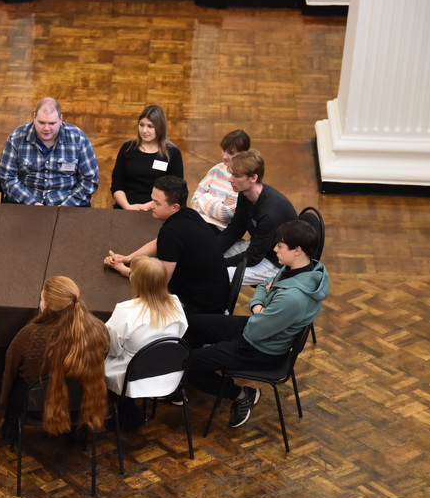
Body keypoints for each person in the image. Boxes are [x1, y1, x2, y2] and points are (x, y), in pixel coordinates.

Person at [186, 220, 329, 427]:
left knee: (186, 363)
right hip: (259, 329)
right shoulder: (301, 269)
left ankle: (242, 394)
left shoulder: (293, 298)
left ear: (297, 250)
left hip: (259, 348)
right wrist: (259, 308)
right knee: (191, 323)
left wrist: (258, 309)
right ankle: (201, 367)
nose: (274, 249)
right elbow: (264, 285)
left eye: (280, 246)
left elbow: (254, 331)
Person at [0, 276, 109, 443]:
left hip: (34, 407)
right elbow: (103, 358)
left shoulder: (29, 334)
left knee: (18, 383)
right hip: (79, 405)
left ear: (48, 307)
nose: (40, 302)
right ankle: (79, 437)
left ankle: (10, 432)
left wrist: (4, 399)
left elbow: (10, 370)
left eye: (42, 299)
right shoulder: (99, 330)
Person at [103, 175, 229, 315]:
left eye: (157, 203)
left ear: (174, 207)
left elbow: (159, 281)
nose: (151, 206)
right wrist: (127, 258)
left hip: (201, 309)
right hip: (216, 295)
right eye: (152, 200)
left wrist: (122, 269)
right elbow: (158, 243)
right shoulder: (190, 214)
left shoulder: (171, 232)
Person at [103, 256, 189, 430]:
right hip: (169, 374)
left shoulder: (125, 311)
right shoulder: (176, 303)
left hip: (131, 378)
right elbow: (179, 337)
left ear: (135, 281)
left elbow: (112, 349)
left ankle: (124, 412)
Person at [218, 149, 298, 286]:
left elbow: (253, 257)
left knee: (219, 274)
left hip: (278, 261)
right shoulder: (245, 194)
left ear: (253, 178)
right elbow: (234, 230)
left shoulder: (270, 213)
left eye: (236, 176)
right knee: (209, 256)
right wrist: (211, 251)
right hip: (261, 248)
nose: (230, 179)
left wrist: (220, 264)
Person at [0, 97, 99, 206]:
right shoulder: (16, 138)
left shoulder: (78, 139)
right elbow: (8, 178)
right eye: (41, 122)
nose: (46, 128)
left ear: (60, 119)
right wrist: (31, 203)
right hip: (25, 202)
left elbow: (89, 181)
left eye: (52, 123)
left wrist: (65, 206)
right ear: (34, 117)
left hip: (68, 202)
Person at [110, 105, 184, 210]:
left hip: (157, 211)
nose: (144, 130)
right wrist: (127, 207)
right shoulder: (127, 148)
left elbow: (175, 191)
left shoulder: (172, 153)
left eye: (150, 126)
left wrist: (145, 207)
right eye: (141, 125)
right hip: (125, 209)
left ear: (160, 128)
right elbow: (117, 185)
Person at [191, 129, 250, 231]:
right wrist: (221, 203)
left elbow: (226, 215)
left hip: (218, 229)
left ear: (243, 154)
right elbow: (194, 201)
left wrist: (205, 197)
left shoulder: (243, 180)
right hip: (197, 221)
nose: (224, 156)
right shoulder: (216, 169)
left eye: (231, 153)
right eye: (224, 150)